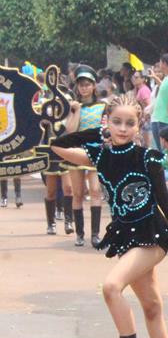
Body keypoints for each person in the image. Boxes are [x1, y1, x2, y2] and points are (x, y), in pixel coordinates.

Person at [50, 94, 168, 338]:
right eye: (116, 122)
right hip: (126, 236)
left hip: (152, 235)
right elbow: (59, 146)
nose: (122, 128)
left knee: (111, 286)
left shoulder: (148, 157)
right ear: (107, 122)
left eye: (130, 123)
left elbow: (164, 200)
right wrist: (96, 132)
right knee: (152, 307)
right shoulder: (100, 156)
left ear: (139, 124)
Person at [64, 65, 106, 247]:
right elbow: (70, 131)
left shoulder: (103, 106)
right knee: (78, 193)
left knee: (96, 190)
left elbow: (106, 128)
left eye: (87, 84)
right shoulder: (74, 107)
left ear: (94, 86)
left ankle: (95, 234)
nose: (84, 87)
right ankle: (80, 234)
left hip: (96, 152)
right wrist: (77, 110)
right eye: (81, 84)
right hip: (77, 152)